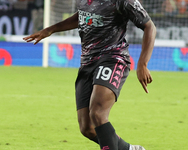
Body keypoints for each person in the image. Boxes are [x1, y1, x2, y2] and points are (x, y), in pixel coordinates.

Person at [23, 0, 156, 150]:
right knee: (87, 128)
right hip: (87, 63)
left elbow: (149, 26)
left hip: (113, 59)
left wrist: (142, 63)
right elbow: (82, 16)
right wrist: (51, 29)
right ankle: (130, 149)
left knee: (98, 113)